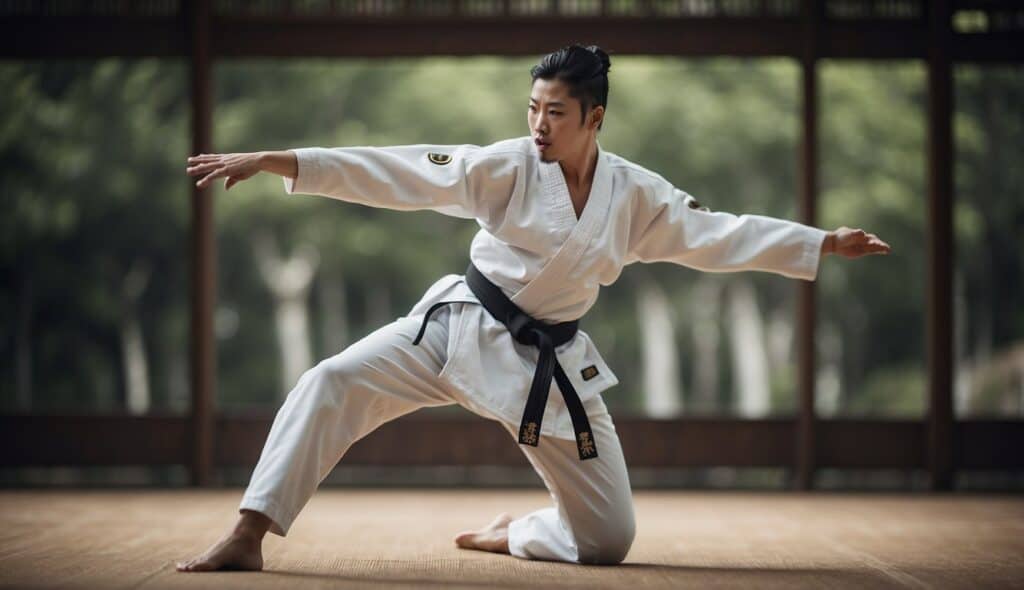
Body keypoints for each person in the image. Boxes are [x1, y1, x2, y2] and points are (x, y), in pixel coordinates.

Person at [176, 44, 891, 572]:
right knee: (331, 380)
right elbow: (402, 170)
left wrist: (821, 242)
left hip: (547, 366)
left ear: (595, 117)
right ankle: (249, 531)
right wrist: (284, 161)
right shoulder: (508, 165)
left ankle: (516, 533)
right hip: (456, 331)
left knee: (608, 542)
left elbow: (719, 234)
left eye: (555, 112)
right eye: (533, 109)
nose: (539, 125)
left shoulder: (636, 196)